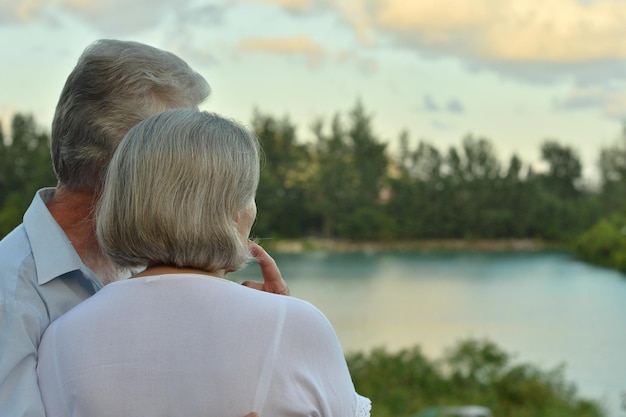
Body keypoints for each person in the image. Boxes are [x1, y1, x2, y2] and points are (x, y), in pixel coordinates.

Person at [0, 39, 287, 417]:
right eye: (181, 146)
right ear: (130, 163)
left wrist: (269, 335)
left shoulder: (144, 265)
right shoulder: (9, 293)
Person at [37, 109, 371, 417]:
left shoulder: (59, 340)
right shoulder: (297, 325)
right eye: (251, 195)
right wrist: (286, 326)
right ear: (233, 210)